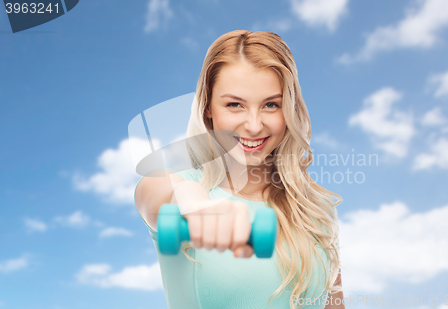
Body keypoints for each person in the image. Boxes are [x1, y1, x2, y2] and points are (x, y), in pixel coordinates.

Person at [134, 30, 344, 309]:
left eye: (271, 104)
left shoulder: (315, 210)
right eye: (235, 105)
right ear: (207, 106)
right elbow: (159, 190)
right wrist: (194, 202)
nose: (254, 125)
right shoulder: (176, 187)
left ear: (289, 109)